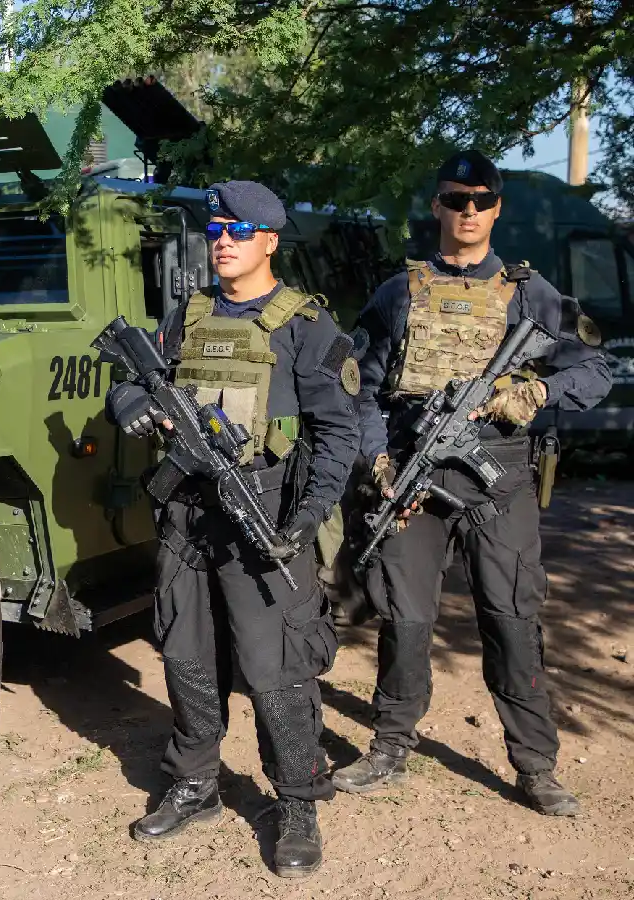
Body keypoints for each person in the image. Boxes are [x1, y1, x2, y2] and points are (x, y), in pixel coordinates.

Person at [333, 149, 612, 815]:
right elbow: (360, 389)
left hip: (499, 478)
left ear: (496, 209)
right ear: (437, 205)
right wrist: (377, 460)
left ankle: (535, 765)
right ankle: (391, 744)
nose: (468, 211)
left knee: (513, 619)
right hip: (414, 471)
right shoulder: (398, 293)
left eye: (481, 201)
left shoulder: (531, 294)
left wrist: (537, 392)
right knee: (405, 617)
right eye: (456, 199)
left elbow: (595, 369)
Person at [106, 180, 360, 878]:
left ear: (269, 241)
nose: (223, 241)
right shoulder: (186, 317)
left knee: (278, 667)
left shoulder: (306, 326)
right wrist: (129, 404)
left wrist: (307, 517)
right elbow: (130, 381)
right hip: (186, 515)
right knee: (186, 653)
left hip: (264, 515)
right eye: (217, 230)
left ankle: (298, 800)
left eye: (239, 231)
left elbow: (338, 435)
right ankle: (195, 783)